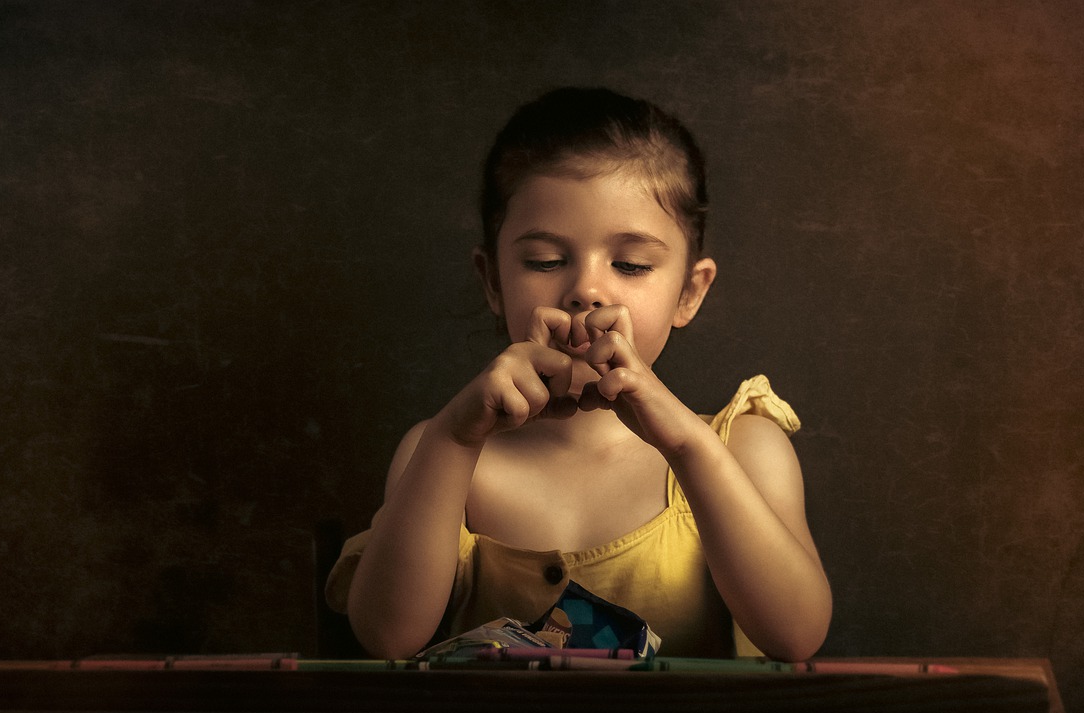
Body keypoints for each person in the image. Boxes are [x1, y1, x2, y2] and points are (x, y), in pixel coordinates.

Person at [326, 87, 830, 662]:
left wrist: (688, 445)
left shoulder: (742, 448)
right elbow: (386, 638)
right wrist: (452, 438)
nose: (586, 289)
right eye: (545, 261)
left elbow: (798, 635)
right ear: (493, 281)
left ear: (689, 292)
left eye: (631, 265)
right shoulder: (441, 452)